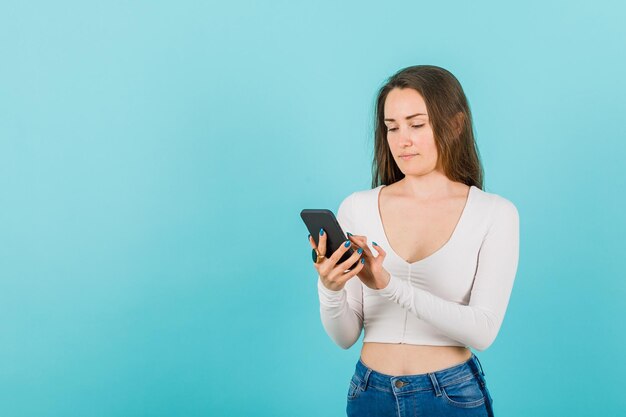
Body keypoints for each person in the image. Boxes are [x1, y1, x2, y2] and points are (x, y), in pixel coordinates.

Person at [308, 65, 519, 417]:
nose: (401, 140)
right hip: (368, 393)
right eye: (392, 127)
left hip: (450, 396)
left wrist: (389, 286)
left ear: (454, 125)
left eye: (416, 124)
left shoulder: (495, 213)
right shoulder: (357, 206)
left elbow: (483, 331)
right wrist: (329, 288)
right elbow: (345, 336)